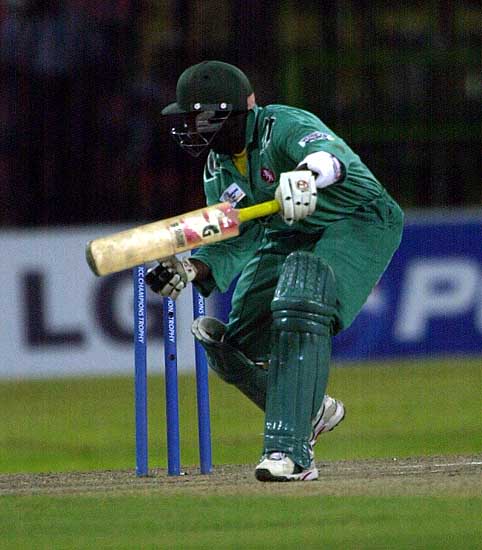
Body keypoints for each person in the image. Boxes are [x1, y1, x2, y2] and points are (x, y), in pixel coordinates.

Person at [146, 60, 404, 482]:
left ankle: (291, 453)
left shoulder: (281, 125)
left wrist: (305, 176)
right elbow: (236, 236)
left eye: (198, 117)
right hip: (287, 233)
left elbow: (331, 157)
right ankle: (312, 410)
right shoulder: (218, 167)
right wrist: (192, 267)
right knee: (233, 349)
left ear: (226, 113)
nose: (191, 127)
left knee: (303, 297)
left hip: (356, 220)